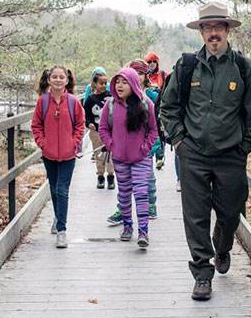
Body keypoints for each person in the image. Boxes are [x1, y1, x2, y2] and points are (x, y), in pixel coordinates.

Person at [160, 1, 251, 300]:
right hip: (192, 152)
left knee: (231, 211)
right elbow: (167, 107)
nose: (214, 33)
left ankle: (223, 246)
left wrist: (244, 146)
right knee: (195, 216)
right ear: (201, 32)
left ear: (227, 30)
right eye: (208, 28)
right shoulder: (186, 66)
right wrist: (179, 140)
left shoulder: (244, 68)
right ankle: (202, 273)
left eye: (219, 27)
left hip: (230, 153)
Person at [98, 67, 159, 249]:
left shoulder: (146, 104)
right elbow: (103, 128)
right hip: (119, 159)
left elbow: (154, 130)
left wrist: (145, 148)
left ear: (133, 84)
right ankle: (127, 226)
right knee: (124, 195)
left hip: (141, 158)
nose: (120, 86)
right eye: (117, 82)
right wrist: (111, 145)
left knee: (141, 194)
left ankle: (143, 231)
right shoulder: (110, 105)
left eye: (124, 82)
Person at [31, 65, 85, 249]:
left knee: (62, 190)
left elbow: (80, 124)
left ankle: (62, 230)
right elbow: (36, 125)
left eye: (61, 77)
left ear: (67, 80)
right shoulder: (43, 102)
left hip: (68, 154)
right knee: (53, 189)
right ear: (48, 80)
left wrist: (74, 142)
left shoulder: (73, 101)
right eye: (54, 77)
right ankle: (58, 215)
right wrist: (43, 143)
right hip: (49, 154)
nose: (58, 80)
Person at [106, 60, 161, 223]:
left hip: (145, 148)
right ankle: (121, 209)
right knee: (123, 182)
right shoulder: (122, 95)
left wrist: (150, 147)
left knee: (147, 179)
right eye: (133, 72)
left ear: (146, 76)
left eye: (140, 73)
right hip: (124, 149)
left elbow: (154, 124)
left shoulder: (151, 96)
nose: (137, 76)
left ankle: (151, 205)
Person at [83, 71, 114, 189]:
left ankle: (111, 177)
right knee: (99, 154)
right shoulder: (90, 99)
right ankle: (100, 176)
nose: (103, 85)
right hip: (96, 131)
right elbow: (86, 115)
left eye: (105, 83)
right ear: (94, 84)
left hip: (110, 131)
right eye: (101, 83)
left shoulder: (111, 96)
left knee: (110, 154)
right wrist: (89, 124)